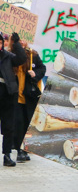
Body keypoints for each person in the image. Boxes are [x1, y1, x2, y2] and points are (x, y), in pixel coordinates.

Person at [10, 33, 46, 163]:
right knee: (18, 123)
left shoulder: (33, 55)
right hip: (16, 97)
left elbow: (43, 68)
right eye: (19, 40)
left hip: (29, 96)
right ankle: (19, 150)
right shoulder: (11, 55)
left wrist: (35, 74)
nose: (22, 42)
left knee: (27, 123)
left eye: (24, 39)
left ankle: (25, 149)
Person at [0, 32, 25, 167]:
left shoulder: (8, 56)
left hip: (8, 95)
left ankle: (7, 155)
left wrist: (16, 42)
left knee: (9, 127)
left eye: (0, 42)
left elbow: (21, 58)